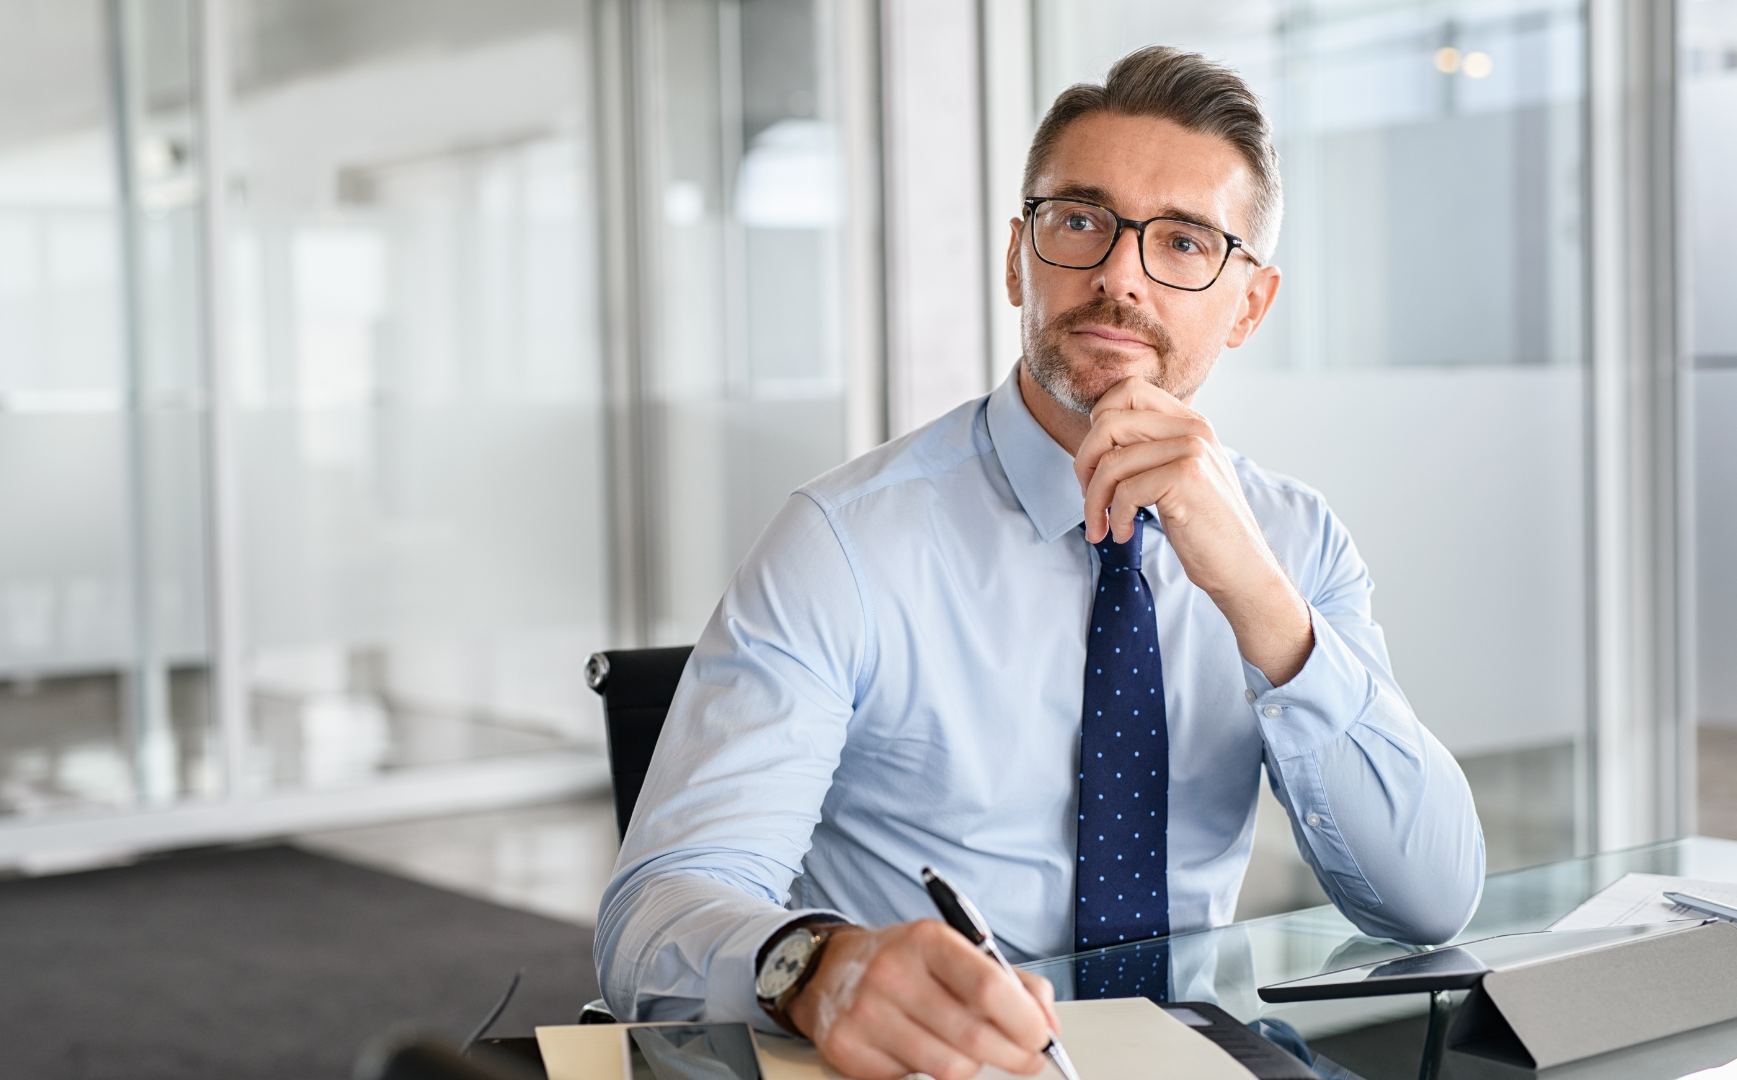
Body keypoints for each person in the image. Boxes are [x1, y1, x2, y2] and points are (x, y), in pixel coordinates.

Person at [594, 45, 1484, 1080]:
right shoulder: (843, 541)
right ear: (1018, 257)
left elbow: (1428, 900)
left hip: (1205, 1055)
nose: (1119, 274)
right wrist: (820, 967)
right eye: (1080, 222)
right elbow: (655, 912)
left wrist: (1256, 595)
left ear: (1249, 304)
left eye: (1185, 242)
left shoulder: (1293, 539)